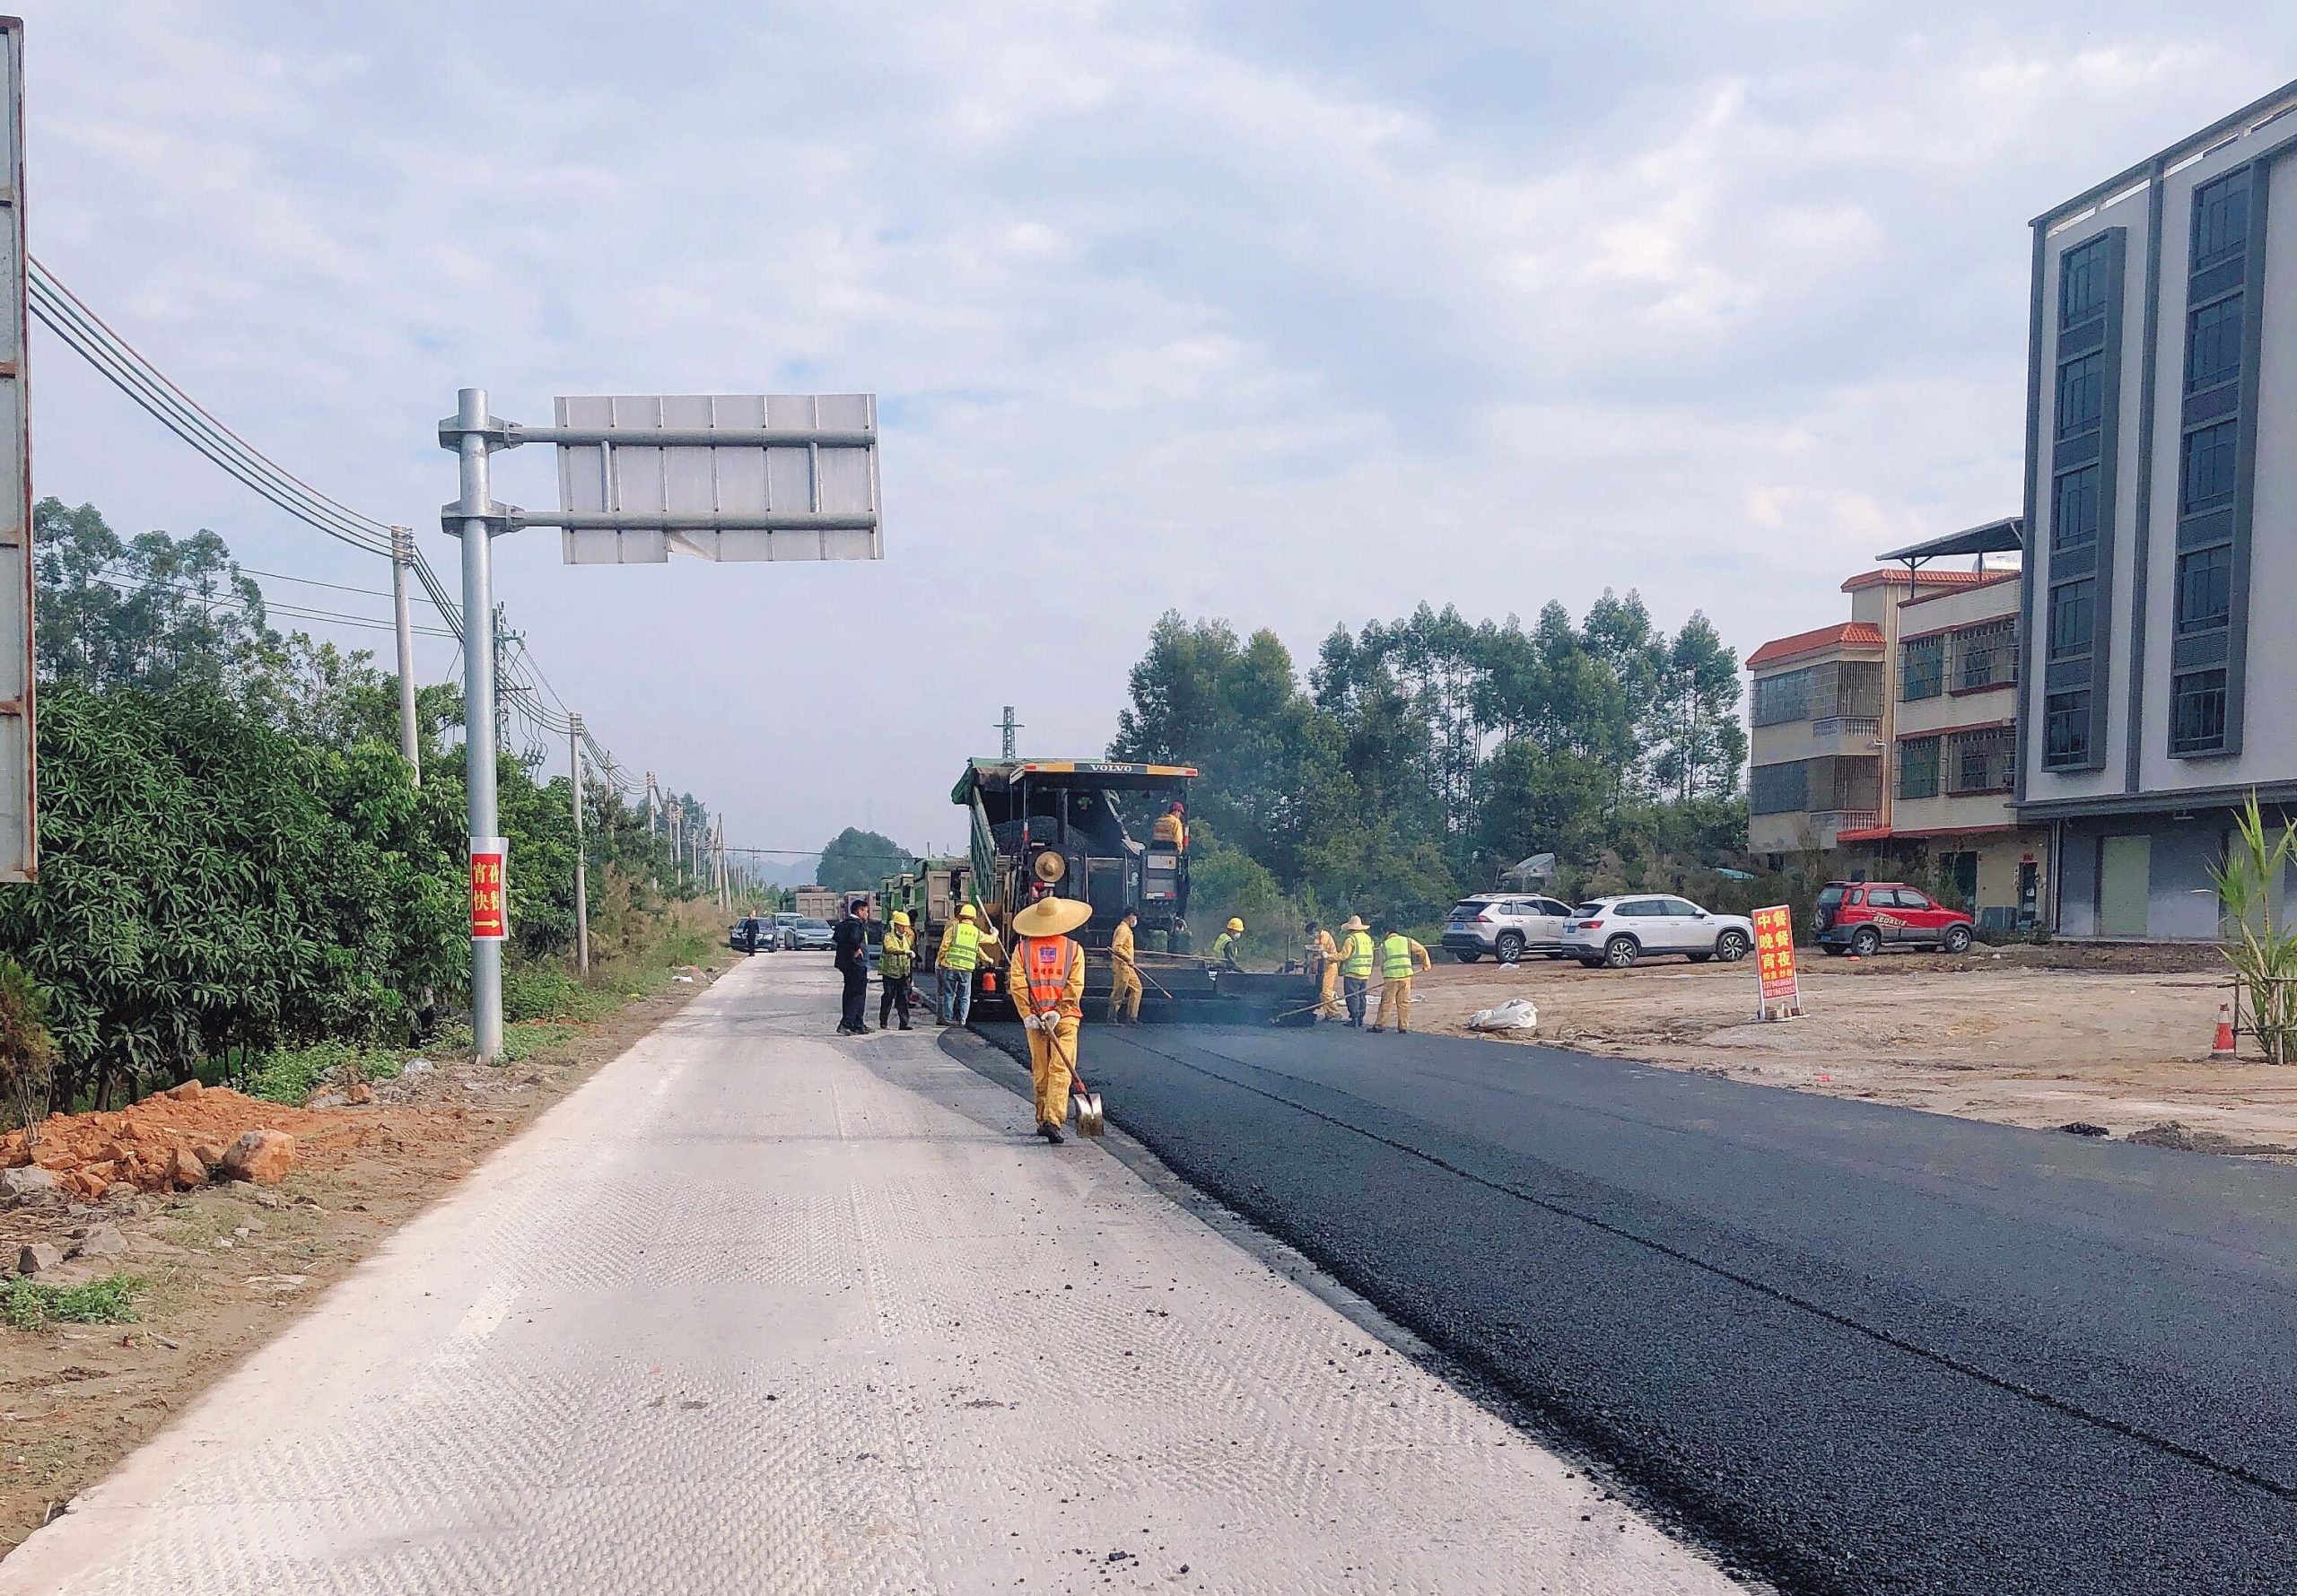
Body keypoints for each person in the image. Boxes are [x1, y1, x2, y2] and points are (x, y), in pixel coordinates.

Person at [1009, 893, 1092, 1143]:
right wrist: (1059, 1010)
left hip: (1035, 1020)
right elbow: (1075, 985)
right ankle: (1053, 1120)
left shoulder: (1022, 950)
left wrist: (1027, 1014)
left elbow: (1018, 986)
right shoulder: (1073, 950)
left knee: (1041, 1070)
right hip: (1065, 1020)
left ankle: (1043, 1118)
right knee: (1060, 1070)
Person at [1370, 919, 1433, 1034]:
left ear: (1387, 933)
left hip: (1391, 978)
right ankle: (1403, 1026)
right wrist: (1426, 964)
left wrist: (1385, 976)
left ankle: (1380, 1025)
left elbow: (1382, 965)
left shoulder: (1383, 945)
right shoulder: (1407, 941)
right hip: (1406, 976)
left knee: (1386, 1002)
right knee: (1404, 1003)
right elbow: (1422, 950)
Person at [938, 903, 984, 1026]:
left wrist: (940, 960)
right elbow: (984, 944)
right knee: (964, 996)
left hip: (951, 966)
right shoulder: (976, 932)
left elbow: (944, 947)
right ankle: (962, 1019)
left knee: (949, 993)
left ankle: (948, 1018)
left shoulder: (954, 929)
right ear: (973, 918)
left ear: (960, 916)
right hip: (966, 969)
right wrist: (994, 934)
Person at [833, 897, 874, 1035]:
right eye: (865, 911)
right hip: (856, 964)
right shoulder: (856, 924)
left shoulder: (844, 923)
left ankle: (858, 1023)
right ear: (859, 910)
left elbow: (836, 937)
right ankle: (846, 1023)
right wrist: (856, 949)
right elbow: (854, 938)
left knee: (852, 993)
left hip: (846, 964)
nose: (867, 914)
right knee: (856, 994)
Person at [878, 910, 916, 1032]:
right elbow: (890, 948)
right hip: (890, 972)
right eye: (903, 926)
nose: (905, 929)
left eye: (906, 926)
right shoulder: (888, 937)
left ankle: (904, 1023)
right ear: (896, 925)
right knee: (888, 996)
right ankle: (883, 1021)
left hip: (903, 973)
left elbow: (907, 950)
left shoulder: (905, 938)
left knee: (903, 998)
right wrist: (905, 952)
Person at [1336, 914, 1375, 1028]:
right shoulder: (1368, 939)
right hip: (1365, 972)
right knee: (1362, 996)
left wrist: (1329, 956)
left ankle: (1354, 1018)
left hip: (1353, 972)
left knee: (1352, 996)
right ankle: (1361, 1018)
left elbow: (1344, 955)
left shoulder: (1351, 939)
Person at [1107, 907, 1144, 1025]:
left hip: (1128, 966)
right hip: (1121, 965)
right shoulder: (1122, 930)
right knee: (1119, 991)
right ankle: (1112, 1018)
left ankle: (1132, 1017)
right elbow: (1116, 947)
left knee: (1137, 988)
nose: (1136, 919)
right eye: (1135, 917)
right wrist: (1128, 958)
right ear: (1130, 916)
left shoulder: (1127, 930)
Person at [1305, 919, 1341, 1022]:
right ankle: (1328, 1013)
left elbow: (1320, 949)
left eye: (1311, 933)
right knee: (1321, 993)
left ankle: (1335, 1013)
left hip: (1330, 966)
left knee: (1326, 993)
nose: (1311, 935)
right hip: (1324, 967)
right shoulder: (1318, 938)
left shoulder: (1324, 936)